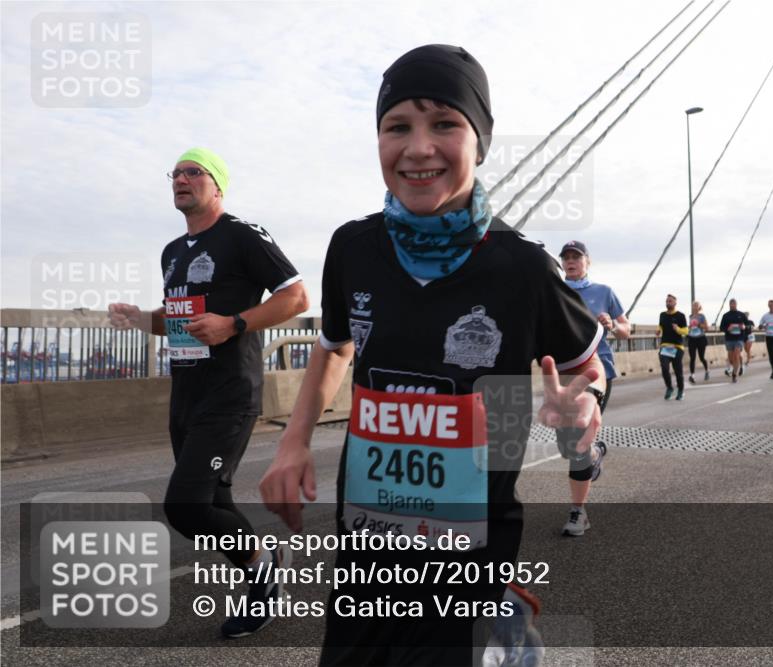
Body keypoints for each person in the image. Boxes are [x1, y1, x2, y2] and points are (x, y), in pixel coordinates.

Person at [257, 44, 606, 665]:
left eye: (444, 123)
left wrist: (582, 407)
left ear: (480, 142)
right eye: (398, 127)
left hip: (473, 538)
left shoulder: (521, 265)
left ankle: (500, 621)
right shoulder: (353, 246)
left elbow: (585, 367)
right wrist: (294, 440)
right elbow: (335, 347)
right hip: (369, 535)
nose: (418, 147)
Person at [108, 147, 309, 638]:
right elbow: (179, 324)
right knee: (213, 500)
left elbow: (297, 296)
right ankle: (264, 577)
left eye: (193, 172)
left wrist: (234, 322)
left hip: (229, 392)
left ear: (217, 186)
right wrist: (141, 319)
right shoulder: (173, 252)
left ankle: (264, 567)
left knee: (186, 505)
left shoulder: (242, 235)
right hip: (187, 394)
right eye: (175, 173)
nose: (181, 179)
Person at [559, 239, 629, 534]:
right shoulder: (554, 291)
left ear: (587, 261)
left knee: (578, 444)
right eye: (567, 257)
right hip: (563, 376)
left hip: (598, 371)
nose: (571, 261)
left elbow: (626, 331)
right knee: (568, 446)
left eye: (577, 257)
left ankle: (578, 513)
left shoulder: (604, 292)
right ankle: (595, 454)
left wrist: (612, 324)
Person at [657, 293, 688, 400]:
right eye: (667, 301)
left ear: (675, 302)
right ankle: (669, 387)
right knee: (664, 368)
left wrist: (678, 329)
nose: (668, 303)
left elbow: (686, 331)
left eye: (670, 301)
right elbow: (661, 326)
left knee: (677, 370)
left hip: (677, 346)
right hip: (665, 346)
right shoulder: (662, 315)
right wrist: (658, 330)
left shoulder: (681, 316)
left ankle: (680, 390)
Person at [719, 300, 748, 383]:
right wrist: (727, 329)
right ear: (729, 305)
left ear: (736, 304)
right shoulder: (726, 316)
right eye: (731, 304)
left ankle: (734, 375)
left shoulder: (741, 315)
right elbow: (721, 328)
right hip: (729, 339)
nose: (732, 305)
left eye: (733, 304)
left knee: (736, 355)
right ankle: (736, 367)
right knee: (731, 359)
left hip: (739, 338)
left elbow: (748, 325)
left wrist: (744, 327)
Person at [687, 301, 710, 384]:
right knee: (692, 358)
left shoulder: (702, 316)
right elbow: (690, 327)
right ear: (692, 307)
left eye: (696, 306)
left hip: (701, 339)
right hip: (692, 338)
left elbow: (707, 327)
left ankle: (707, 370)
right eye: (694, 306)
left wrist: (699, 324)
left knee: (701, 357)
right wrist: (689, 328)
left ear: (699, 307)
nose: (695, 307)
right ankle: (692, 375)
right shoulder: (690, 316)